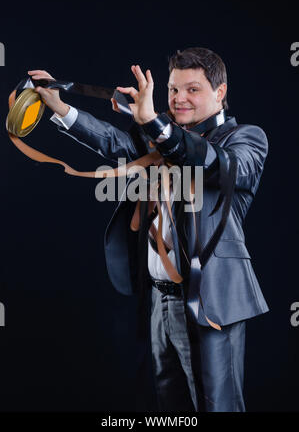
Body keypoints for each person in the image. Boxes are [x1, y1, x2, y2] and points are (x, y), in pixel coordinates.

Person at [28, 47, 269, 412]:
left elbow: (213, 163)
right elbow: (117, 144)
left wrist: (154, 122)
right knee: (171, 409)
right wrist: (60, 107)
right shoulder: (160, 139)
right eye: (173, 90)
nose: (179, 99)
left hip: (212, 304)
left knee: (217, 407)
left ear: (220, 93)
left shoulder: (246, 140)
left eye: (193, 89)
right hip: (160, 301)